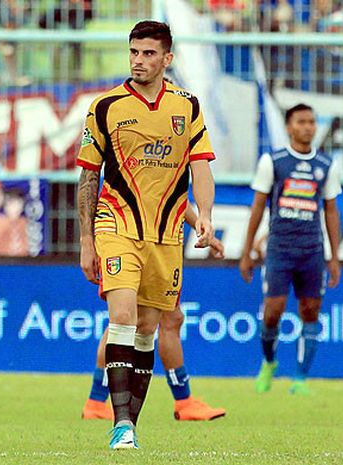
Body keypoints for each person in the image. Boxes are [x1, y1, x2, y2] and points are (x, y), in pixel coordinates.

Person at [76, 20, 216, 449]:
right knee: (121, 317)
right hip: (115, 224)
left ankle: (129, 425)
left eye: (149, 53)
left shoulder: (187, 107)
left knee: (147, 330)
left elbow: (200, 168)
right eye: (134, 52)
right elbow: (87, 177)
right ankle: (119, 424)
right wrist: (87, 241)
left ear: (167, 58)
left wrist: (204, 216)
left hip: (166, 237)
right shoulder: (106, 106)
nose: (139, 60)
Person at [82, 204, 226, 422]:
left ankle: (97, 400)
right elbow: (170, 193)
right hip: (145, 239)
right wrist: (199, 222)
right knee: (135, 319)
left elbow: (172, 193)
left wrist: (199, 224)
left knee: (141, 319)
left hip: (153, 237)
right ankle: (183, 401)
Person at [239, 103, 342, 396]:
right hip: (279, 250)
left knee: (311, 311)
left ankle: (300, 378)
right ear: (288, 126)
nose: (308, 127)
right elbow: (258, 206)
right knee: (273, 311)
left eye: (311, 121)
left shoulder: (326, 165)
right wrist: (246, 252)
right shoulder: (273, 161)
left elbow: (331, 211)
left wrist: (334, 257)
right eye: (301, 121)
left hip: (312, 250)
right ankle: (269, 362)